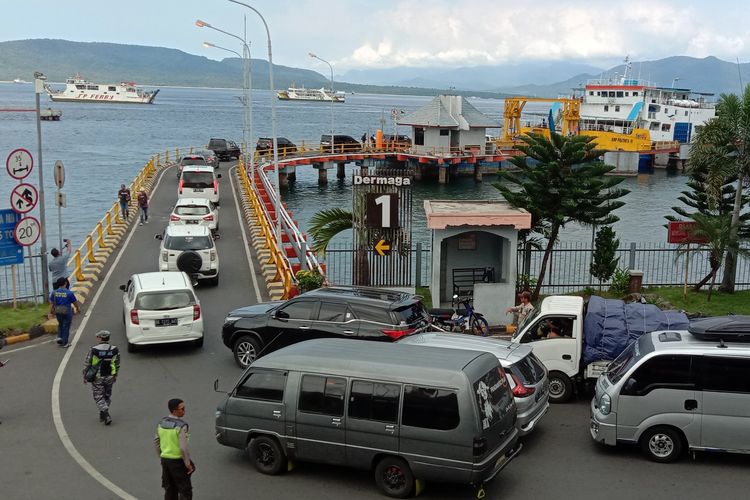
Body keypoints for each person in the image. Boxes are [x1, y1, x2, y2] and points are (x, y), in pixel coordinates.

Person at [155, 398, 194, 500]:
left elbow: (156, 442)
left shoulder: (161, 423)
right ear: (174, 410)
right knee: (185, 489)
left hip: (165, 461)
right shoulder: (181, 426)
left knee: (170, 488)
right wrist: (187, 464)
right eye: (182, 408)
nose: (184, 410)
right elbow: (183, 448)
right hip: (178, 461)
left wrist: (162, 456)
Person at [83, 330, 120, 425]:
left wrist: (85, 375)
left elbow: (87, 363)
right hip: (110, 376)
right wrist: (115, 375)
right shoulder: (115, 349)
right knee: (107, 395)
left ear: (100, 338)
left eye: (97, 337)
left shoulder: (93, 349)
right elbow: (117, 363)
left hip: (97, 377)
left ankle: (106, 414)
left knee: (98, 396)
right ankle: (102, 413)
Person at [48, 277, 80, 347]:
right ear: (65, 283)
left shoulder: (54, 292)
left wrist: (50, 313)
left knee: (60, 324)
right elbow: (75, 302)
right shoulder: (69, 293)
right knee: (66, 326)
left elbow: (51, 303)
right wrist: (78, 308)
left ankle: (60, 338)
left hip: (58, 311)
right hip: (66, 311)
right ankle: (65, 342)